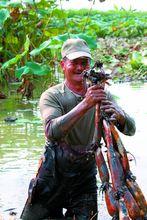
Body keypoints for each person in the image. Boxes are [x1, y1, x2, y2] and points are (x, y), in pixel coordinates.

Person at [21, 38, 136, 220]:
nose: (80, 68)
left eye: (85, 63)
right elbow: (52, 132)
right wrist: (86, 103)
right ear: (63, 64)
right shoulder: (52, 96)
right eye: (74, 63)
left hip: (84, 176)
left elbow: (131, 129)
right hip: (53, 174)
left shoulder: (102, 94)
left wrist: (120, 117)